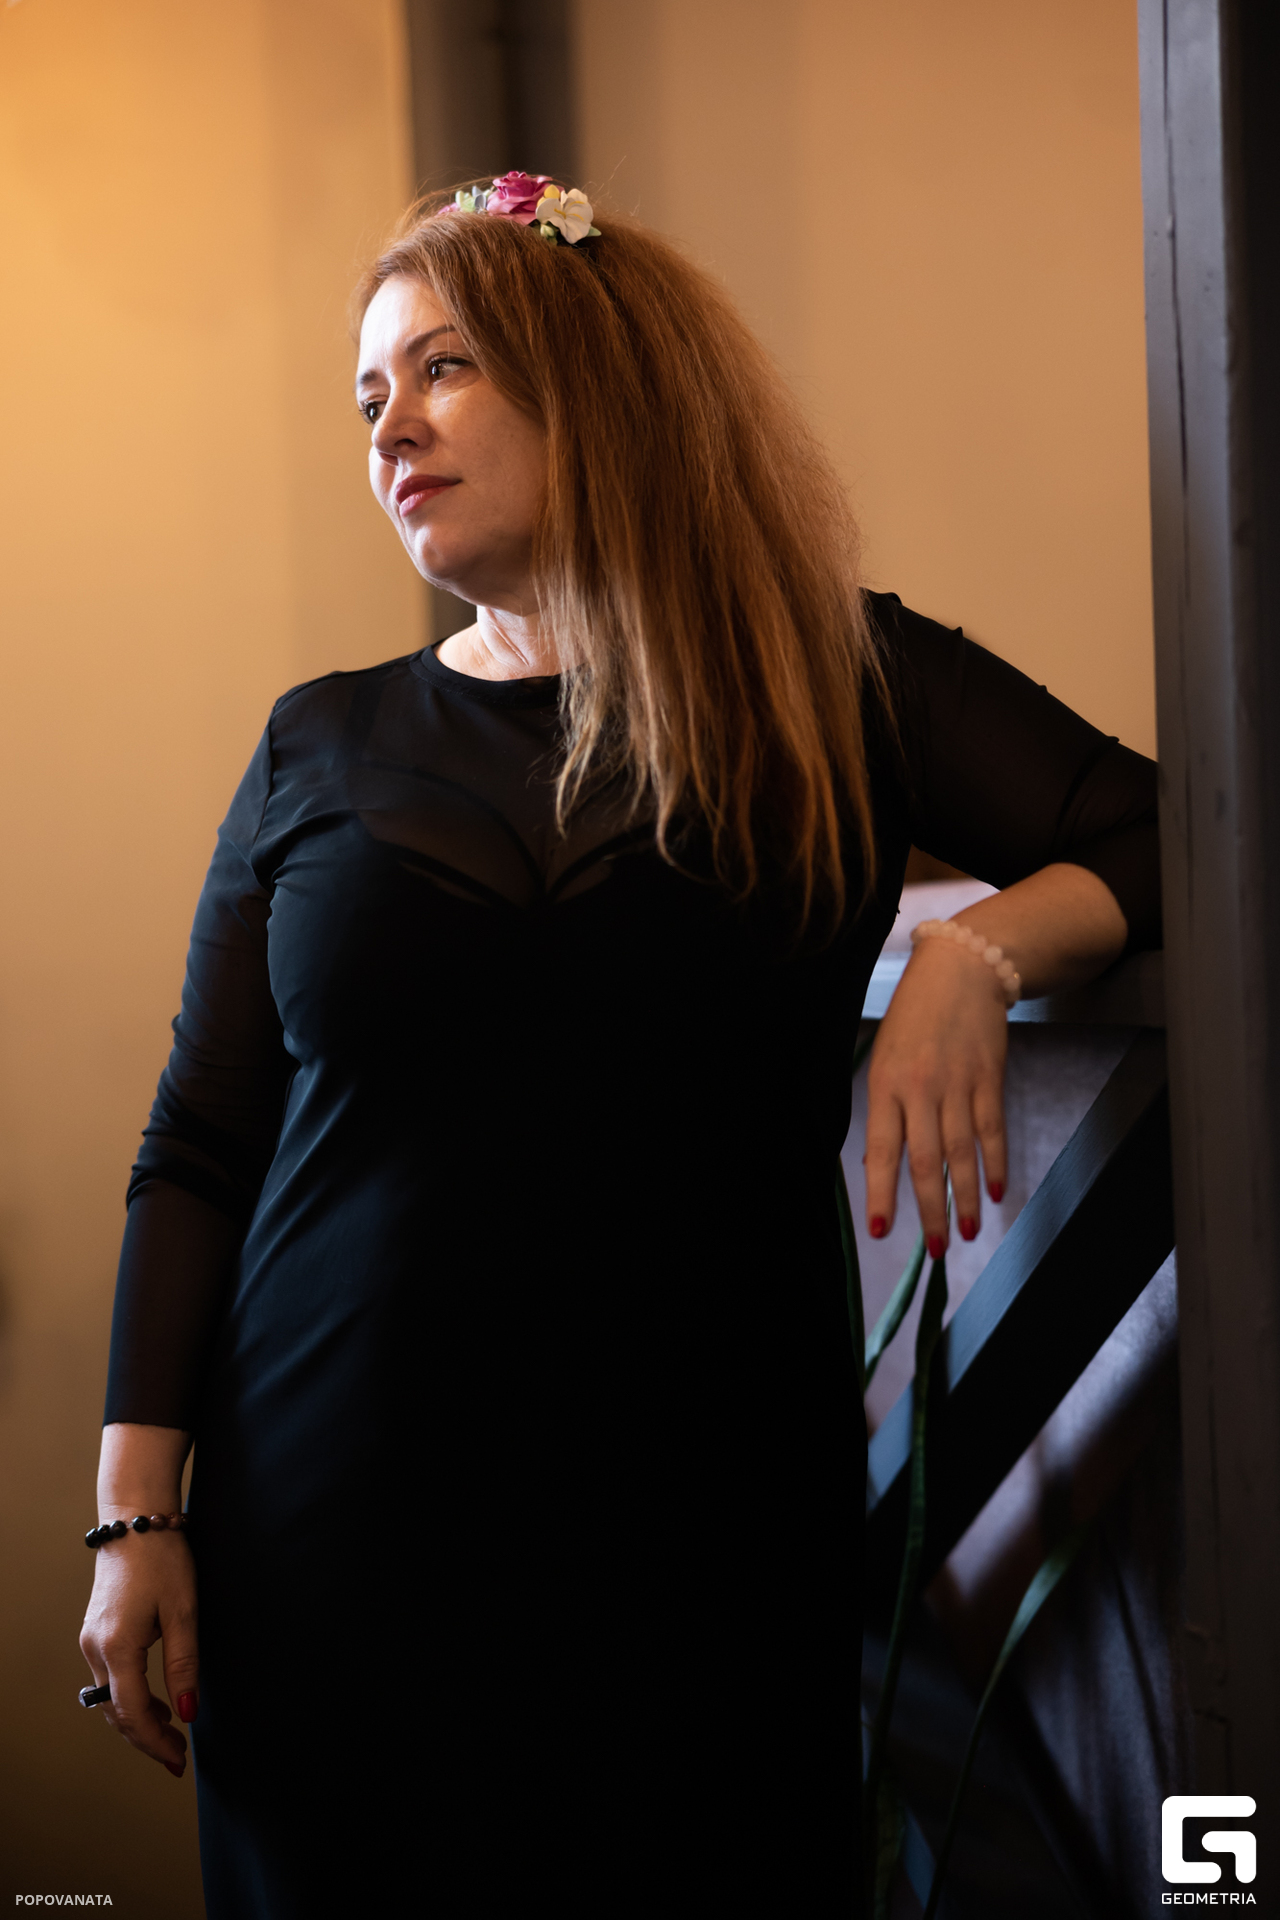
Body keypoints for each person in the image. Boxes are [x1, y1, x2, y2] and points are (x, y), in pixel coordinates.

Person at [78, 174, 1160, 1918]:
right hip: (331, 1531)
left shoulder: (837, 680)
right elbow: (201, 1147)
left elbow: (1166, 831)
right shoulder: (315, 743)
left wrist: (977, 949)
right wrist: (137, 1518)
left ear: (597, 381)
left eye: (442, 368)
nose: (390, 429)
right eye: (367, 397)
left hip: (703, 1539)